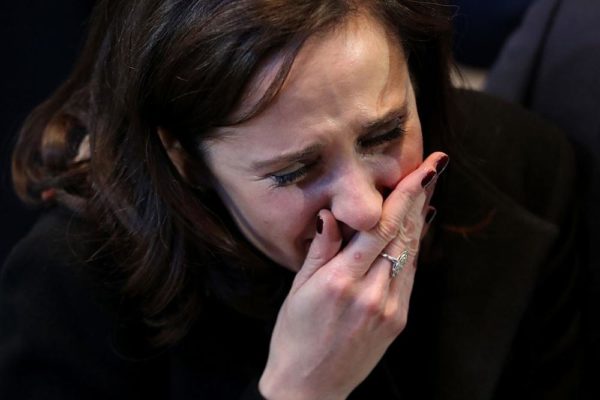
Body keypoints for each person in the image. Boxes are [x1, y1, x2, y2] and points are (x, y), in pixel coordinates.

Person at [0, 0, 582, 399]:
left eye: (382, 134)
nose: (364, 209)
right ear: (184, 161)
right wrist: (300, 390)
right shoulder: (70, 290)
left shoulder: (525, 171)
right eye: (294, 171)